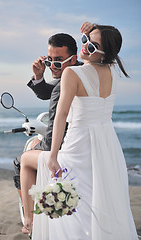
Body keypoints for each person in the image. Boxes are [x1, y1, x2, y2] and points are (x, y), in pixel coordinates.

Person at [21, 21, 138, 239]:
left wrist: (54, 155)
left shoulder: (72, 74)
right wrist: (93, 32)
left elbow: (61, 116)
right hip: (106, 148)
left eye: (91, 46)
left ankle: (29, 220)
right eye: (84, 41)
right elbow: (105, 47)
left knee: (27, 158)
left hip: (77, 146)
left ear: (104, 52)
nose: (84, 46)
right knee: (94, 199)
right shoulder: (112, 70)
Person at [17, 32, 83, 234]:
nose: (53, 66)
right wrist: (38, 76)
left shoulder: (68, 79)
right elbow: (50, 91)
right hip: (84, 144)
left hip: (63, 148)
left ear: (73, 57)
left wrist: (44, 146)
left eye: (58, 61)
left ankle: (30, 220)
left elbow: (57, 124)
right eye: (50, 61)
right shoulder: (80, 72)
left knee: (21, 160)